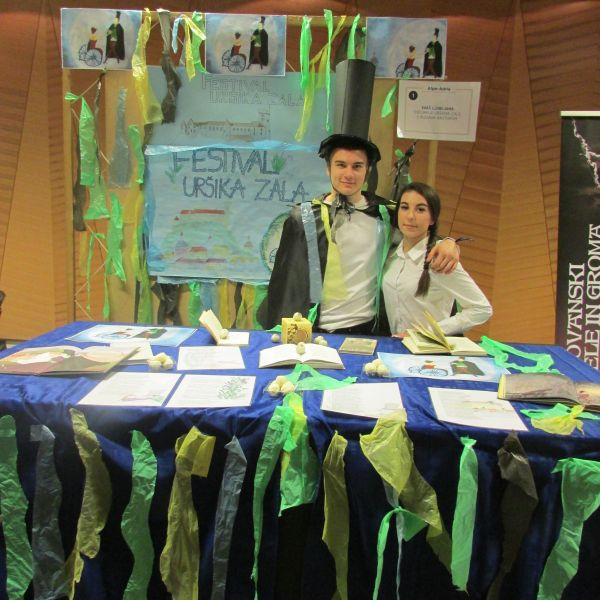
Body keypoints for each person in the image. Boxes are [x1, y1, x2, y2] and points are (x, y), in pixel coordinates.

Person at [258, 135, 459, 334]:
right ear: (328, 168)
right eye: (341, 165)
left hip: (370, 331)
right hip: (317, 330)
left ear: (367, 170)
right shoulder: (304, 218)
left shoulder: (384, 213)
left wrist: (449, 243)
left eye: (357, 166)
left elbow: (423, 234)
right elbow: (285, 284)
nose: (349, 174)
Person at [382, 181, 492, 336]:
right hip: (396, 346)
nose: (410, 216)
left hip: (429, 348)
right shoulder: (390, 254)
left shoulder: (440, 259)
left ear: (432, 219)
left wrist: (426, 333)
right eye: (405, 207)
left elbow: (482, 309)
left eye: (420, 209)